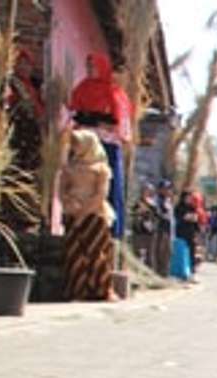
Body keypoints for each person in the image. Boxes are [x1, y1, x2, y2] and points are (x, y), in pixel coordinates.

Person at [68, 52, 131, 239]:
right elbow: (74, 113)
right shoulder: (81, 88)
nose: (90, 69)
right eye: (88, 66)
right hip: (85, 146)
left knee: (106, 184)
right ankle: (79, 224)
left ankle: (109, 229)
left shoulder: (114, 93)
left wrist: (100, 121)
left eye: (93, 66)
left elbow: (119, 124)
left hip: (106, 146)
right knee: (81, 183)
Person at [60, 130, 115, 301]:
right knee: (74, 253)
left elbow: (101, 194)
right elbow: (62, 191)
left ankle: (102, 290)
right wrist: (70, 203)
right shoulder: (69, 168)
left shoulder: (101, 169)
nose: (75, 147)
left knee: (97, 254)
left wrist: (84, 212)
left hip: (94, 216)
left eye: (78, 143)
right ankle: (78, 291)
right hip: (72, 213)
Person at [131, 182, 160, 272]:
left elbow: (157, 216)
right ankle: (137, 275)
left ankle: (149, 275)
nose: (146, 192)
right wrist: (139, 213)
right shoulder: (138, 203)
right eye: (145, 190)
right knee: (137, 254)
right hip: (139, 232)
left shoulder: (153, 204)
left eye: (148, 191)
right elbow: (134, 214)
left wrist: (149, 212)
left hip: (150, 233)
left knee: (150, 256)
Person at [171, 191, 200, 282]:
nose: (189, 199)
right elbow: (182, 218)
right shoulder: (178, 207)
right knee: (181, 253)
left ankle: (191, 273)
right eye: (187, 197)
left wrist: (197, 232)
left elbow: (195, 220)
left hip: (191, 234)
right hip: (181, 233)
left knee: (192, 253)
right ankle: (180, 273)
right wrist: (188, 217)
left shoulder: (192, 208)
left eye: (190, 198)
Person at [154, 180, 175, 278]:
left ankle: (165, 274)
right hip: (160, 230)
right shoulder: (157, 200)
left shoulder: (169, 201)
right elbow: (157, 214)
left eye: (169, 189)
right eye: (166, 188)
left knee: (168, 253)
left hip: (168, 230)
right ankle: (158, 274)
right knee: (160, 253)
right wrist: (164, 216)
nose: (168, 191)